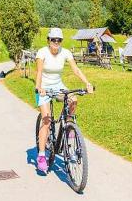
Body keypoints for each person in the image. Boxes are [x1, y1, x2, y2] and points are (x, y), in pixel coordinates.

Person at [35, 27, 93, 173]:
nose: (56, 42)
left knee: (73, 99)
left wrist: (87, 83)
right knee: (47, 120)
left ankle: (68, 127)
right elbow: (39, 72)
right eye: (53, 40)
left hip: (58, 86)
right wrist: (38, 87)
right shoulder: (42, 52)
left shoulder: (65, 52)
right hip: (44, 88)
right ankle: (42, 156)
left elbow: (76, 70)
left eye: (59, 40)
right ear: (48, 40)